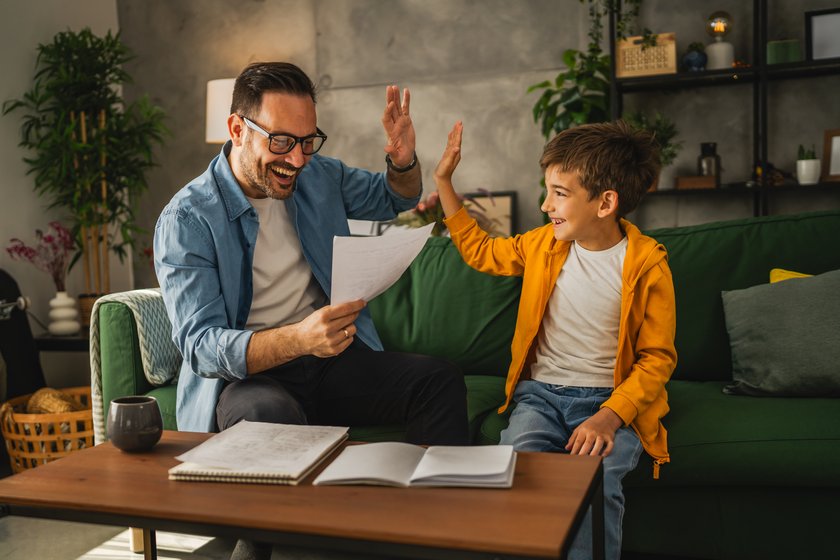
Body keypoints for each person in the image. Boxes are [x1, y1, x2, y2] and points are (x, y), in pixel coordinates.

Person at [154, 62, 469, 559]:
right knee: (268, 417)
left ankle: (431, 539)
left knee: (439, 380)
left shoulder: (320, 174)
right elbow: (199, 347)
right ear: (238, 129)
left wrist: (403, 160)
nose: (297, 159)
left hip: (330, 360)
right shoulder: (187, 218)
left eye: (307, 141)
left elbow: (395, 198)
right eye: (281, 141)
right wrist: (297, 339)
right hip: (253, 378)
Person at [432, 120, 677, 560]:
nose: (546, 205)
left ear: (605, 203)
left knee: (595, 485)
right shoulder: (543, 245)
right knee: (517, 471)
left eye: (559, 193)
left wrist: (610, 416)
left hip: (611, 403)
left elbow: (657, 359)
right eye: (548, 191)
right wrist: (443, 181)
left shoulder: (647, 265)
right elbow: (482, 251)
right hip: (540, 398)